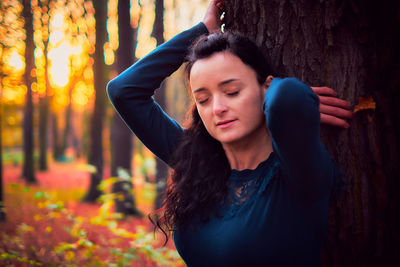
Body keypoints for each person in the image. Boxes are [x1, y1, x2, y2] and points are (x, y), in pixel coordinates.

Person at [107, 1, 353, 266]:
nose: (218, 108)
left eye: (232, 92)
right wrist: (202, 31)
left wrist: (288, 96)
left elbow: (287, 101)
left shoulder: (299, 173)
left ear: (266, 89)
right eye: (203, 99)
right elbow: (124, 91)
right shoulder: (197, 164)